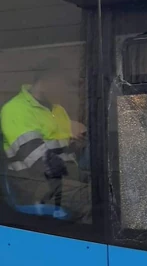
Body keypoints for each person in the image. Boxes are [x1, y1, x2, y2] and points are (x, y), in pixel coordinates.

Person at [0, 62, 91, 223]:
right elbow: (39, 163)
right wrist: (82, 178)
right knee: (96, 201)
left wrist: (78, 143)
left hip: (62, 178)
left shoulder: (57, 110)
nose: (65, 91)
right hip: (33, 185)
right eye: (62, 85)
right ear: (47, 80)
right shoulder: (15, 110)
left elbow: (64, 151)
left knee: (109, 190)